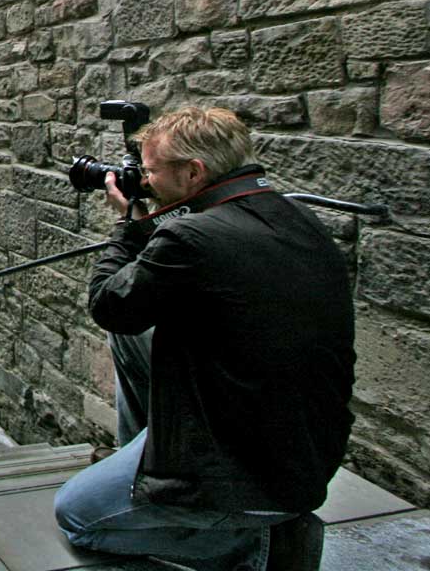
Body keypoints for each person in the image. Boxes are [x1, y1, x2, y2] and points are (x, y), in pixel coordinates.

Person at [53, 107, 355, 571]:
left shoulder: (189, 236)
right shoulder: (295, 215)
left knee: (76, 514)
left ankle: (255, 547)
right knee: (131, 340)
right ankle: (150, 474)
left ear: (194, 172)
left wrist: (129, 225)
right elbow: (140, 318)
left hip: (246, 475)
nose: (144, 181)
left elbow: (109, 304)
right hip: (304, 451)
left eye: (150, 171)